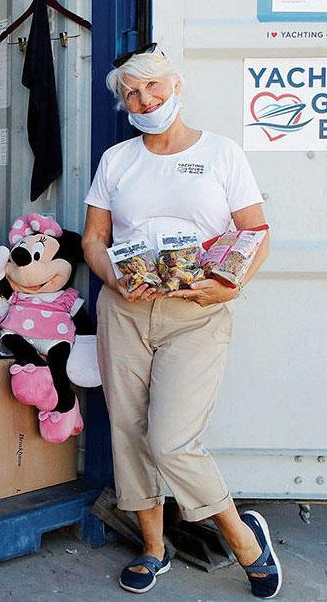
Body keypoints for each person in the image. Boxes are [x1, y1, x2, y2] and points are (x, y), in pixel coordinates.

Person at [81, 44, 282, 598]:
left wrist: (227, 286)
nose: (144, 100)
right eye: (131, 94)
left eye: (153, 87)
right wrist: (113, 278)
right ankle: (152, 547)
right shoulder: (117, 161)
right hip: (125, 309)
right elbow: (95, 240)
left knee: (171, 440)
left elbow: (255, 232)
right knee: (128, 431)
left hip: (197, 314)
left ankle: (243, 539)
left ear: (176, 85)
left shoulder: (221, 153)